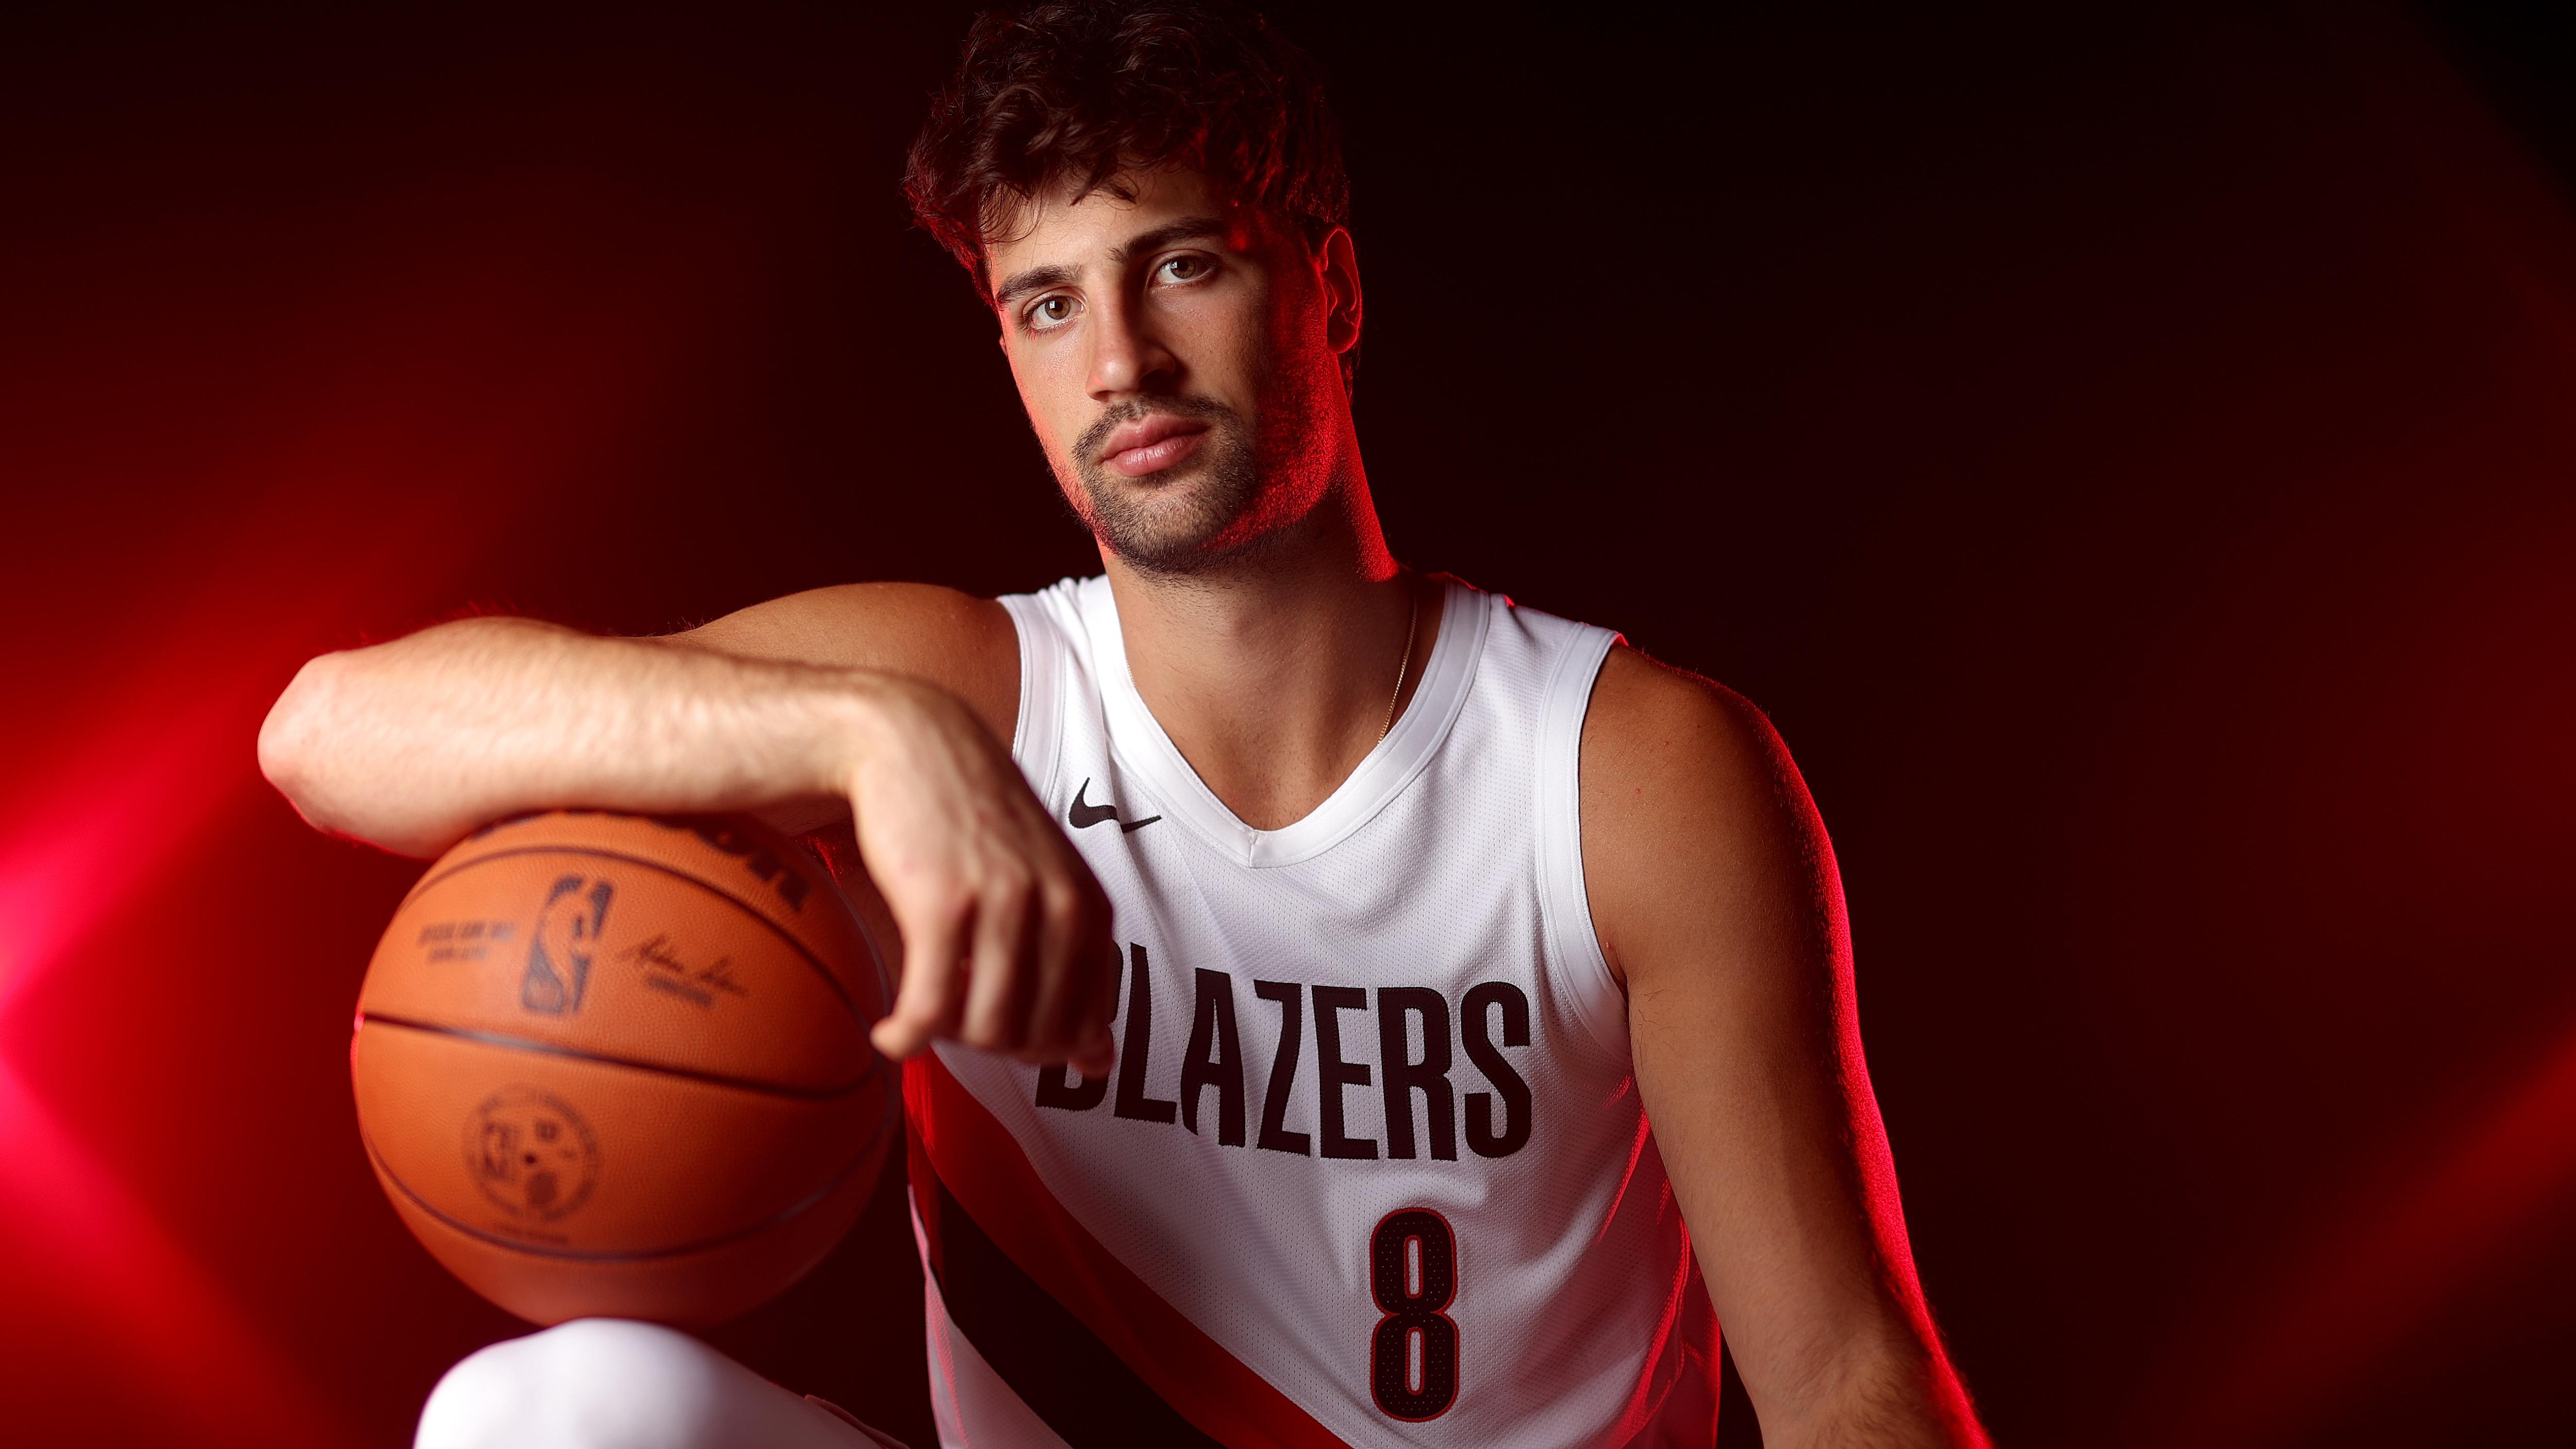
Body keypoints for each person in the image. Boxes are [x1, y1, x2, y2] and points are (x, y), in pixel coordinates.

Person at [258, 3, 1990, 1445]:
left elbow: (1845, 1376)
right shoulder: (963, 697)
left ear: (1332, 291)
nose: (1119, 363)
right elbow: (331, 734)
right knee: (549, 1413)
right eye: (1048, 302)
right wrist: (870, 739)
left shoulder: (1621, 768)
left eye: (1179, 266)